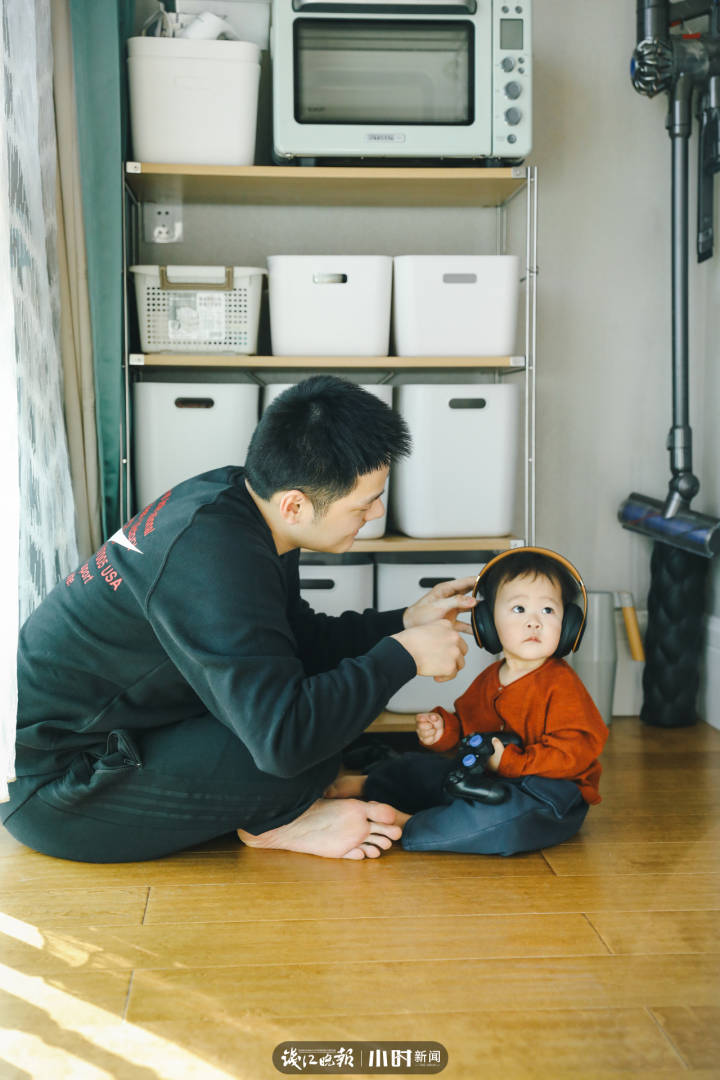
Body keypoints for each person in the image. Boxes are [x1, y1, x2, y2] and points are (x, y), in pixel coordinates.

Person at [3, 376, 477, 864]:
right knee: (303, 757)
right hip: (59, 789)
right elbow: (284, 743)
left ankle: (276, 808)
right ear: (296, 504)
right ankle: (277, 823)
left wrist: (404, 622)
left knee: (319, 715)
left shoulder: (243, 504)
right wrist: (405, 655)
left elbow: (295, 641)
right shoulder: (214, 560)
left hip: (123, 732)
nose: (376, 512)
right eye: (363, 503)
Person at [327, 548, 609, 855]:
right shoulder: (489, 678)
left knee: (506, 821)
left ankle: (410, 824)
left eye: (548, 611)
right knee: (420, 768)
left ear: (569, 626)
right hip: (488, 778)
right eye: (518, 609)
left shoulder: (563, 686)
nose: (533, 622)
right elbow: (467, 731)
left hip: (547, 791)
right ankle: (370, 785)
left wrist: (512, 762)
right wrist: (444, 730)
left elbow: (576, 751)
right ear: (487, 622)